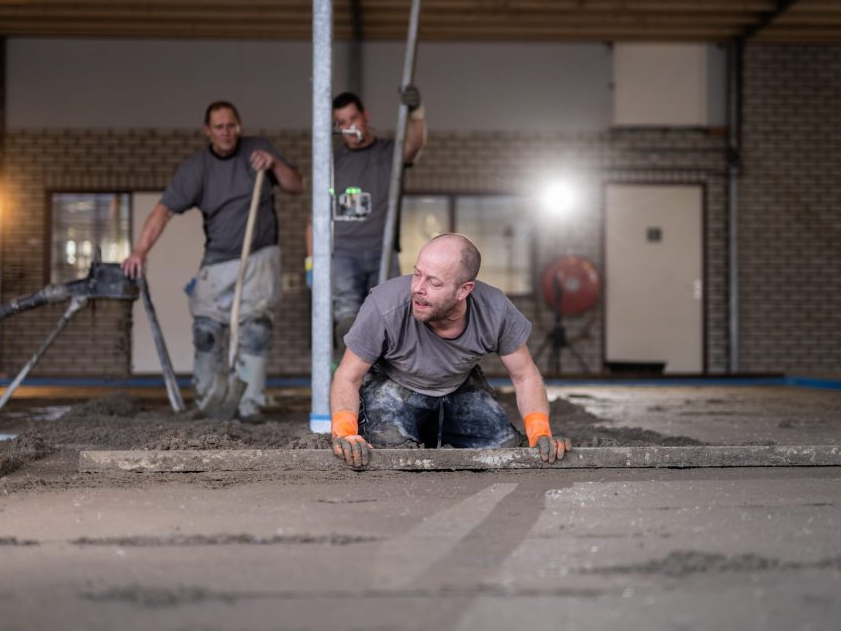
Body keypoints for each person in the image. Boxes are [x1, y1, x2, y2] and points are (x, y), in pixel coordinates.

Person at [122, 101, 304, 422]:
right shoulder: (196, 169)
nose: (226, 133)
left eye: (231, 126)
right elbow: (163, 211)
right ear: (207, 130)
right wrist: (140, 250)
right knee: (207, 330)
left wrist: (274, 164)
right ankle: (209, 401)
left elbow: (296, 185)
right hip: (218, 262)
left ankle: (249, 404)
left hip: (260, 260)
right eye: (219, 127)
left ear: (240, 126)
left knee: (256, 330)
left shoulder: (258, 151)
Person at [329, 233, 571, 467]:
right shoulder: (385, 305)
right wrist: (345, 431)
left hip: (458, 387)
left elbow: (525, 375)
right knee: (390, 453)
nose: (417, 288)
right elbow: (348, 376)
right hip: (394, 386)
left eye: (433, 282)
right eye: (417, 274)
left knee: (506, 448)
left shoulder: (495, 310)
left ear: (464, 290)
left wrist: (540, 432)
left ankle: (435, 429)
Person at [329, 87, 427, 358]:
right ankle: (350, 380)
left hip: (381, 249)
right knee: (347, 317)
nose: (350, 127)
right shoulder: (333, 162)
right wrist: (312, 264)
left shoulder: (387, 153)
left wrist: (416, 113)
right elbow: (317, 215)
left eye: (353, 119)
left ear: (365, 116)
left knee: (391, 315)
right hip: (343, 251)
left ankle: (385, 380)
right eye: (342, 123)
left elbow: (414, 145)